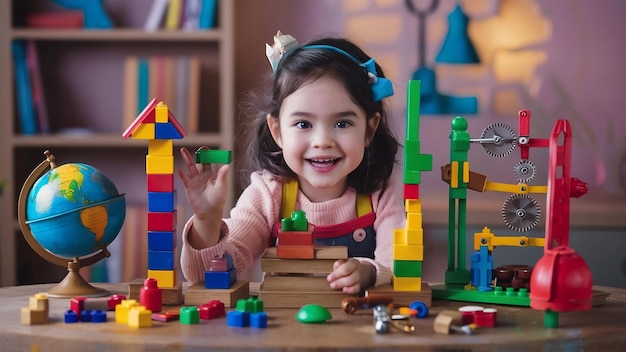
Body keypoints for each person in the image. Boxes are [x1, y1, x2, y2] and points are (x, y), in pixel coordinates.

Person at [178, 31, 405, 294]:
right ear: (277, 131)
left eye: (342, 123)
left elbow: (399, 264)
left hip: (358, 328)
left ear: (369, 129)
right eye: (303, 124)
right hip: (283, 330)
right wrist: (207, 221)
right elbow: (206, 276)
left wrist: (370, 271)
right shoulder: (268, 193)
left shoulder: (382, 191)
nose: (322, 141)